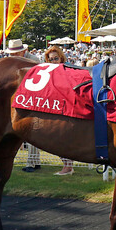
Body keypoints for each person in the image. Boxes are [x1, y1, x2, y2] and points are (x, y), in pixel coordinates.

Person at [46, 46, 74, 175]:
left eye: (56, 58)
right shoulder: (48, 70)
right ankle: (67, 165)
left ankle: (68, 167)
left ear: (61, 57)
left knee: (64, 137)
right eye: (51, 59)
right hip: (54, 106)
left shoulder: (68, 68)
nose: (53, 61)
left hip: (67, 106)